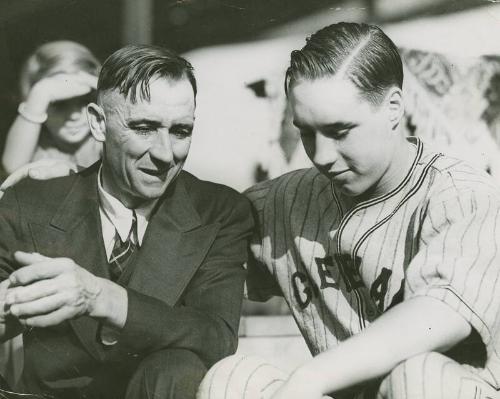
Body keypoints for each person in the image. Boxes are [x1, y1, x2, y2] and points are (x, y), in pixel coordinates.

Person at [197, 22, 500, 398]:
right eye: (307, 132)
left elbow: (436, 319)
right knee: (234, 380)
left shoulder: (463, 195)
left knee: (418, 377)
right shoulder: (287, 199)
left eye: (339, 131)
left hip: (450, 389)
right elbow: (190, 234)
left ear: (393, 108)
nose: (321, 156)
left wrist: (307, 379)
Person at [0, 44, 253, 399]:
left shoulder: (219, 210)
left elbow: (215, 336)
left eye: (181, 131)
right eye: (145, 128)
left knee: (179, 367)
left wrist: (103, 298)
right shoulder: (29, 203)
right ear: (98, 123)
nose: (166, 154)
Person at [1, 41, 101, 174]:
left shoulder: (102, 140)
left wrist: (104, 87)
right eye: (59, 105)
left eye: (84, 102)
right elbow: (12, 167)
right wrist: (40, 92)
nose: (74, 116)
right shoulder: (37, 145)